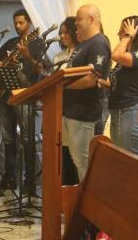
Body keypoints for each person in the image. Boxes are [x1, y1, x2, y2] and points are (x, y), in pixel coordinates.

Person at [0, 9, 45, 189]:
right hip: (5, 95)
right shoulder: (11, 42)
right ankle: (10, 178)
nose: (17, 26)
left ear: (29, 23)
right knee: (8, 139)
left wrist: (27, 55)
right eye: (15, 23)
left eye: (21, 23)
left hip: (25, 94)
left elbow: (41, 69)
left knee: (28, 139)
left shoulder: (38, 43)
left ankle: (29, 180)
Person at [63, 4, 111, 180]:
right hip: (71, 111)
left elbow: (92, 79)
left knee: (83, 163)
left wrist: (62, 86)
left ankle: (89, 206)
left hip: (83, 113)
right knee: (77, 162)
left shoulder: (98, 43)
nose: (76, 23)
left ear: (91, 19)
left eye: (79, 19)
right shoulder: (84, 44)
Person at [99, 16, 138, 157]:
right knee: (121, 161)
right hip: (119, 112)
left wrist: (128, 35)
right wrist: (98, 80)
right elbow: (115, 84)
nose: (119, 35)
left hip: (131, 112)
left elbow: (116, 55)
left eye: (121, 32)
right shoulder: (128, 58)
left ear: (135, 33)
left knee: (131, 163)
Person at [53, 17, 79, 185]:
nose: (63, 36)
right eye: (60, 33)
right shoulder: (58, 57)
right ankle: (64, 190)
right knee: (64, 151)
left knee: (76, 153)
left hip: (77, 109)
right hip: (59, 109)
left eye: (66, 32)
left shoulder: (82, 53)